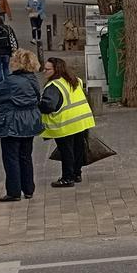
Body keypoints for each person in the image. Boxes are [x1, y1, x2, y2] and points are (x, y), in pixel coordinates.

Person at [0, 49, 44, 202]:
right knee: (26, 156)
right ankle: (28, 188)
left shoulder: (11, 81)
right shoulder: (33, 80)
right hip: (30, 120)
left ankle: (13, 191)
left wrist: (3, 103)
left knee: (11, 157)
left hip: (13, 121)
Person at [41, 57, 96, 187]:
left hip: (65, 123)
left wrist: (37, 105)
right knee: (78, 149)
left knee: (66, 152)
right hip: (82, 120)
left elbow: (49, 106)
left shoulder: (53, 86)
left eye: (47, 69)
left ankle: (67, 178)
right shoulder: (75, 80)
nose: (44, 71)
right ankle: (77, 174)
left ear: (56, 70)